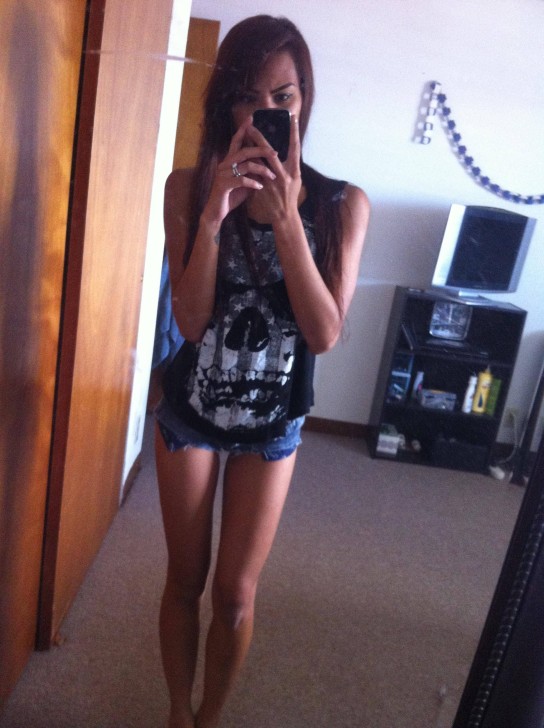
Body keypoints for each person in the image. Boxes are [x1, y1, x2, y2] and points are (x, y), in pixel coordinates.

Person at [154, 14, 370, 728]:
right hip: (190, 411)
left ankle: (210, 717)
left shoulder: (342, 205)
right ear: (226, 103)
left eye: (283, 98)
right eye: (248, 96)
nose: (264, 114)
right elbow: (190, 323)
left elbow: (324, 333)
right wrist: (212, 219)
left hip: (273, 423)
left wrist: (287, 222)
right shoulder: (187, 188)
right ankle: (177, 715)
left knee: (236, 595)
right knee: (184, 580)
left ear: (304, 101)